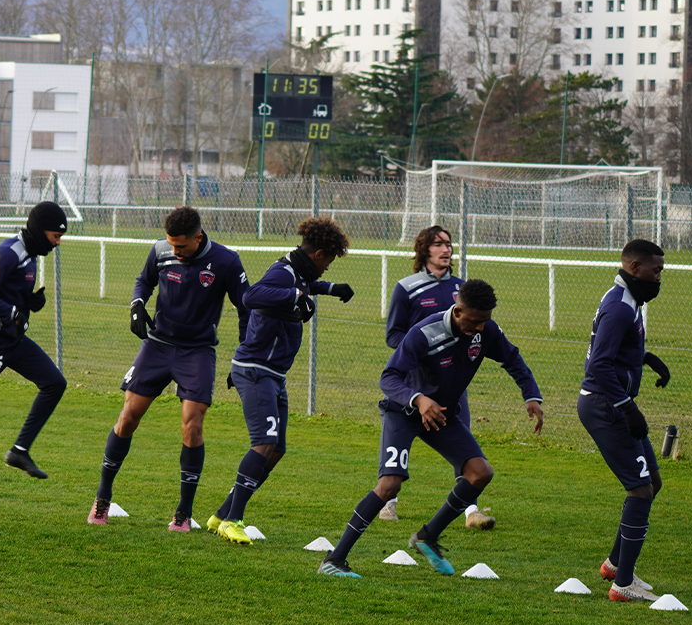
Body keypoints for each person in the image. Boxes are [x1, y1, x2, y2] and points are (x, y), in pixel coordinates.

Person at [318, 279, 544, 578]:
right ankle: (334, 560)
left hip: (441, 415)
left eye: (485, 320)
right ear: (458, 311)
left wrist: (531, 395)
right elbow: (388, 377)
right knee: (390, 485)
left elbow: (512, 358)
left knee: (480, 473)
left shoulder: (485, 330)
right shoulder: (424, 332)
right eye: (475, 321)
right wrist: (418, 399)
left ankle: (427, 537)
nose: (480, 327)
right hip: (403, 412)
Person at [88, 206, 249, 530]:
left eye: (181, 246)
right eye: (171, 244)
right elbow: (143, 281)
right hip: (157, 347)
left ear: (198, 237)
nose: (175, 251)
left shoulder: (226, 261)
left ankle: (183, 513)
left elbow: (247, 309)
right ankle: (102, 499)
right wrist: (137, 304)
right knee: (127, 417)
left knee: (193, 426)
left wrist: (243, 355)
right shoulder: (160, 251)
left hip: (198, 353)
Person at [208, 218, 353, 543]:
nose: (328, 267)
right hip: (256, 370)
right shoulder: (284, 273)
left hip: (272, 373)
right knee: (264, 442)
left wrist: (331, 289)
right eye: (329, 261)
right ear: (318, 254)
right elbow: (251, 296)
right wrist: (295, 296)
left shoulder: (298, 272)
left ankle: (221, 514)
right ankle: (233, 520)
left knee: (276, 449)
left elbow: (305, 286)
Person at [577, 239, 671, 602]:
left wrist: (646, 358)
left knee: (652, 482)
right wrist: (628, 408)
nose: (659, 278)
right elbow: (599, 365)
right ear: (635, 268)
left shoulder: (625, 298)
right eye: (656, 271)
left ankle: (616, 565)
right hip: (605, 406)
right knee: (640, 489)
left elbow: (615, 348)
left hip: (610, 402)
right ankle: (623, 585)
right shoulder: (620, 306)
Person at [0, 200, 68, 478]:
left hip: (12, 341)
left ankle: (19, 451)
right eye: (56, 236)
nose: (58, 242)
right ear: (40, 230)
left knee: (55, 383)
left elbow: (6, 290)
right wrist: (11, 312)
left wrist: (27, 301)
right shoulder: (10, 252)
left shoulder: (30, 253)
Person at [380, 225, 471, 524]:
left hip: (453, 382)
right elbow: (393, 335)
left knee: (465, 441)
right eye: (438, 244)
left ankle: (470, 509)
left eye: (449, 243)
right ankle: (388, 502)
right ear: (424, 250)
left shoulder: (462, 289)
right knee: (398, 438)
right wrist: (422, 350)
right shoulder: (406, 287)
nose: (446, 249)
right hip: (413, 383)